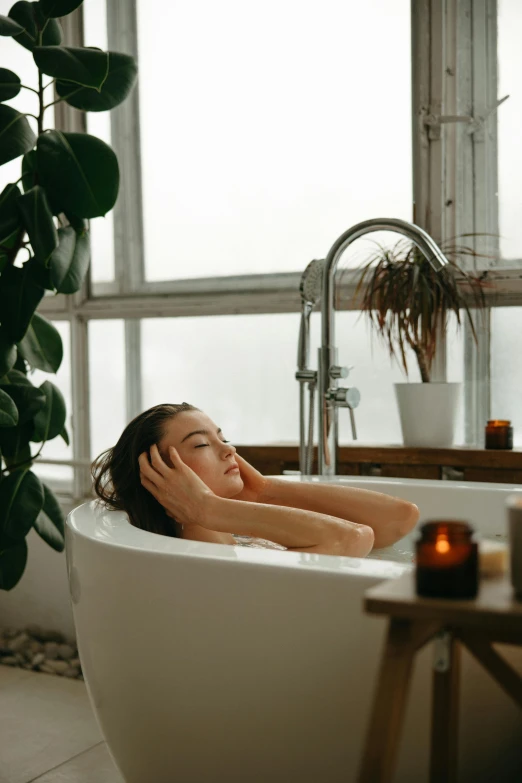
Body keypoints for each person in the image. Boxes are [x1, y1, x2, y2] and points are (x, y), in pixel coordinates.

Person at [92, 402, 420, 556]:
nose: (229, 449)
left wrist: (264, 489)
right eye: (202, 444)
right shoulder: (201, 555)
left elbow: (400, 519)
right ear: (160, 478)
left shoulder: (233, 530)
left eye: (223, 437)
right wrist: (205, 509)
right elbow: (353, 539)